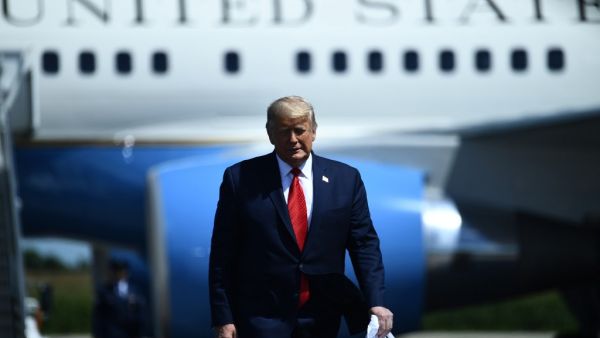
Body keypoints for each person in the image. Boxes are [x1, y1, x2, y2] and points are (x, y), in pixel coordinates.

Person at [209, 96, 393, 338]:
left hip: (323, 316)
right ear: (270, 133)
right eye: (284, 131)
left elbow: (364, 245)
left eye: (299, 130)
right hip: (262, 317)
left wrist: (376, 301)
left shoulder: (345, 179)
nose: (293, 139)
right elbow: (223, 254)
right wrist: (223, 317)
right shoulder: (241, 178)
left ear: (314, 131)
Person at [92, 258, 146, 338]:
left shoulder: (135, 291)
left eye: (122, 271)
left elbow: (140, 315)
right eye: (116, 271)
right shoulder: (104, 292)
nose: (119, 274)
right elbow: (99, 318)